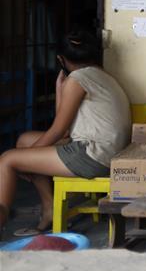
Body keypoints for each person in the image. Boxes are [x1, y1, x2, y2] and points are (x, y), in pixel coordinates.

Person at [0, 28, 132, 235]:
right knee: (25, 140)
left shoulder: (77, 79)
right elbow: (64, 133)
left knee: (8, 159)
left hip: (92, 156)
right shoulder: (102, 75)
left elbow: (58, 132)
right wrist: (60, 90)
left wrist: (25, 159)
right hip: (107, 152)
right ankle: (50, 209)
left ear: (61, 59)